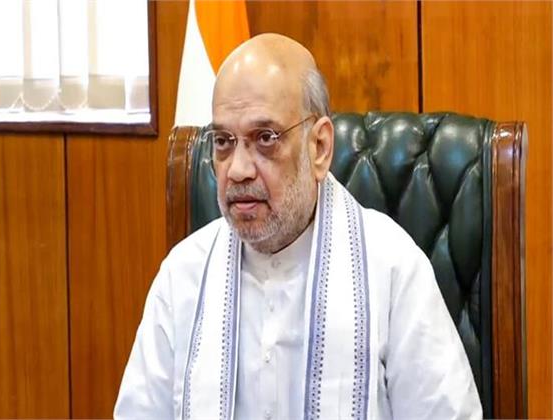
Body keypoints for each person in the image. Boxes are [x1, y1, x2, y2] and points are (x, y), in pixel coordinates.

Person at [114, 33, 481, 420]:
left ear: (319, 147)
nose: (237, 170)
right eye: (223, 141)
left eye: (265, 138)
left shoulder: (391, 267)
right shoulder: (183, 275)